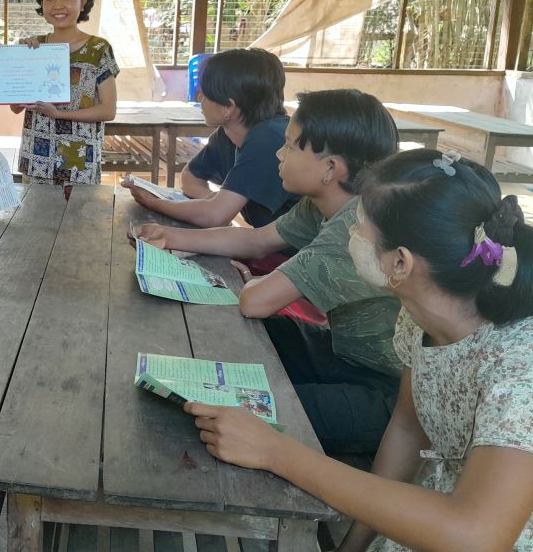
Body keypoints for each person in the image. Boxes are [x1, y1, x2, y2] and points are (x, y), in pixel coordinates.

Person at [185, 150, 533, 551]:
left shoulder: (517, 364)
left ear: (400, 263)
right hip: (432, 517)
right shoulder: (419, 318)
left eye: (359, 224)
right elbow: (406, 427)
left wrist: (277, 453)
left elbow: (477, 536)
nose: (351, 233)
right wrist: (354, 545)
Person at [134, 89, 402, 454]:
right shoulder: (321, 206)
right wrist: (171, 235)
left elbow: (255, 301)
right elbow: (256, 241)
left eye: (291, 146)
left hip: (386, 394)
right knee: (231, 343)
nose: (280, 153)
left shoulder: (356, 228)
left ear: (330, 168)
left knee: (235, 413)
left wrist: (259, 282)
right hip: (340, 352)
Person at [123, 47, 297, 228]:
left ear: (228, 107)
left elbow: (215, 217)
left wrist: (155, 202)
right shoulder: (229, 133)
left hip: (299, 252)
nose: (199, 98)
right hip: (266, 243)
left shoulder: (268, 139)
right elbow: (190, 176)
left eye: (205, 94)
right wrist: (210, 203)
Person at [12, 0, 119, 189]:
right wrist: (21, 62)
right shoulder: (34, 48)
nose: (58, 5)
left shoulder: (98, 49)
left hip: (79, 158)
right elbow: (15, 107)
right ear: (42, 5)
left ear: (83, 2)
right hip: (37, 157)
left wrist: (59, 114)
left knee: (77, 219)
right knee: (34, 218)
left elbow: (108, 110)